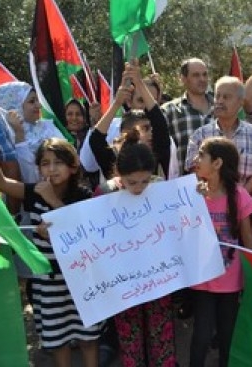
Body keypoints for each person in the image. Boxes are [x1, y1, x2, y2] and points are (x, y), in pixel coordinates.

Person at [0, 137, 101, 367]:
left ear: (73, 167)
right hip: (49, 284)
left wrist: (51, 200)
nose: (52, 168)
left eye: (58, 162)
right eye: (45, 163)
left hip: (81, 281)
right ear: (39, 168)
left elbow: (85, 232)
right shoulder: (33, 192)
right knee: (58, 341)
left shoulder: (83, 195)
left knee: (88, 339)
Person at [94, 130, 176, 367]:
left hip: (159, 277)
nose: (139, 187)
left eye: (145, 181)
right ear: (119, 174)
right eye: (132, 182)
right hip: (123, 282)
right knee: (129, 337)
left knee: (162, 335)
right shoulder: (105, 192)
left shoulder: (162, 188)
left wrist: (197, 194)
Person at [188, 137, 252, 367]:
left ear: (217, 163)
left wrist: (251, 275)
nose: (195, 159)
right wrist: (193, 201)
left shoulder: (239, 195)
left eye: (201, 155)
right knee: (201, 335)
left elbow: (247, 237)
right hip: (202, 281)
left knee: (227, 335)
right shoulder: (192, 194)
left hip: (230, 281)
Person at [184, 76, 252, 197]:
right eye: (217, 96)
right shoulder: (200, 135)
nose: (220, 101)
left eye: (226, 97)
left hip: (246, 203)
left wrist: (239, 200)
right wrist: (215, 198)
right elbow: (193, 172)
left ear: (241, 102)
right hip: (209, 203)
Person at [89, 63, 172, 181]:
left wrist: (139, 82)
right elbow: (96, 140)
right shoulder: (114, 163)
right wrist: (117, 103)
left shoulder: (159, 155)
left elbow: (160, 124)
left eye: (151, 129)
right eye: (144, 129)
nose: (151, 133)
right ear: (125, 134)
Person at [0, 81, 63, 182]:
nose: (39, 105)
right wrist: (19, 135)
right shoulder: (6, 139)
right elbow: (30, 180)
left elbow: (67, 159)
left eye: (37, 100)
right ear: (14, 107)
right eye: (32, 101)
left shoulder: (47, 127)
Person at [161, 58, 213, 174]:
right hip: (185, 181)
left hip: (219, 183)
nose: (202, 79)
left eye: (205, 74)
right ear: (183, 79)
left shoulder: (220, 108)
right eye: (196, 75)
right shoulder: (170, 111)